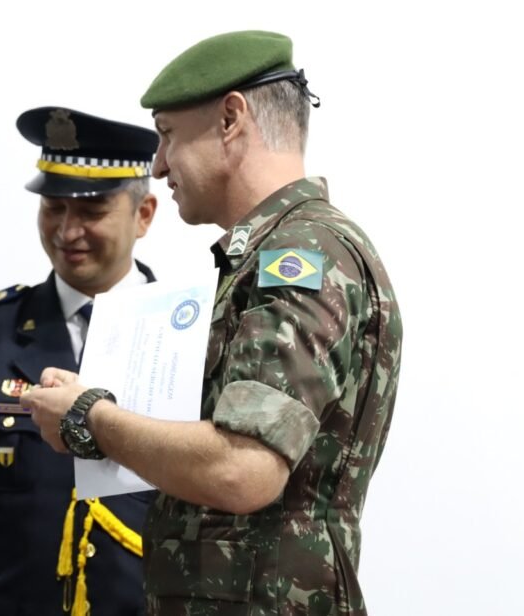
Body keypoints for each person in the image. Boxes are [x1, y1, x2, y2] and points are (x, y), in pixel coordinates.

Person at [22, 31, 402, 615]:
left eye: (168, 135)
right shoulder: (268, 256)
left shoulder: (300, 255)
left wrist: (89, 415)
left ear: (230, 119)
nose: (158, 164)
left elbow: (243, 468)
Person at [0, 106, 160, 616]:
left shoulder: (187, 330)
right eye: (53, 208)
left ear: (144, 214)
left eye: (91, 211)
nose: (67, 231)